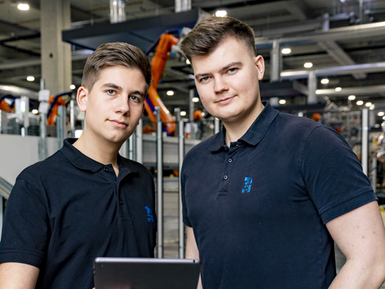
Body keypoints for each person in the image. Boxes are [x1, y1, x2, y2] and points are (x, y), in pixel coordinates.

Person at [180, 16, 385, 289]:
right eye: (205, 77)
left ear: (258, 67)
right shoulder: (194, 163)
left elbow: (372, 259)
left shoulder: (313, 144)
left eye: (231, 70)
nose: (219, 87)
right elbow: (197, 266)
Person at [0, 42, 157, 289]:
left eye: (134, 97)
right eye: (111, 91)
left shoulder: (142, 179)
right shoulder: (36, 185)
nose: (124, 107)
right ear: (83, 98)